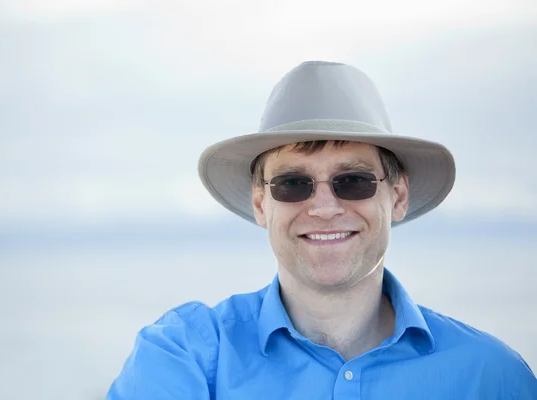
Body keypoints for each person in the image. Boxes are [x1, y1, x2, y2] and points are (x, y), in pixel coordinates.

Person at [107, 61, 537, 399]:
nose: (325, 208)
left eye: (353, 180)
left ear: (398, 197)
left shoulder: (491, 377)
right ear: (261, 203)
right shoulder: (186, 357)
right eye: (293, 184)